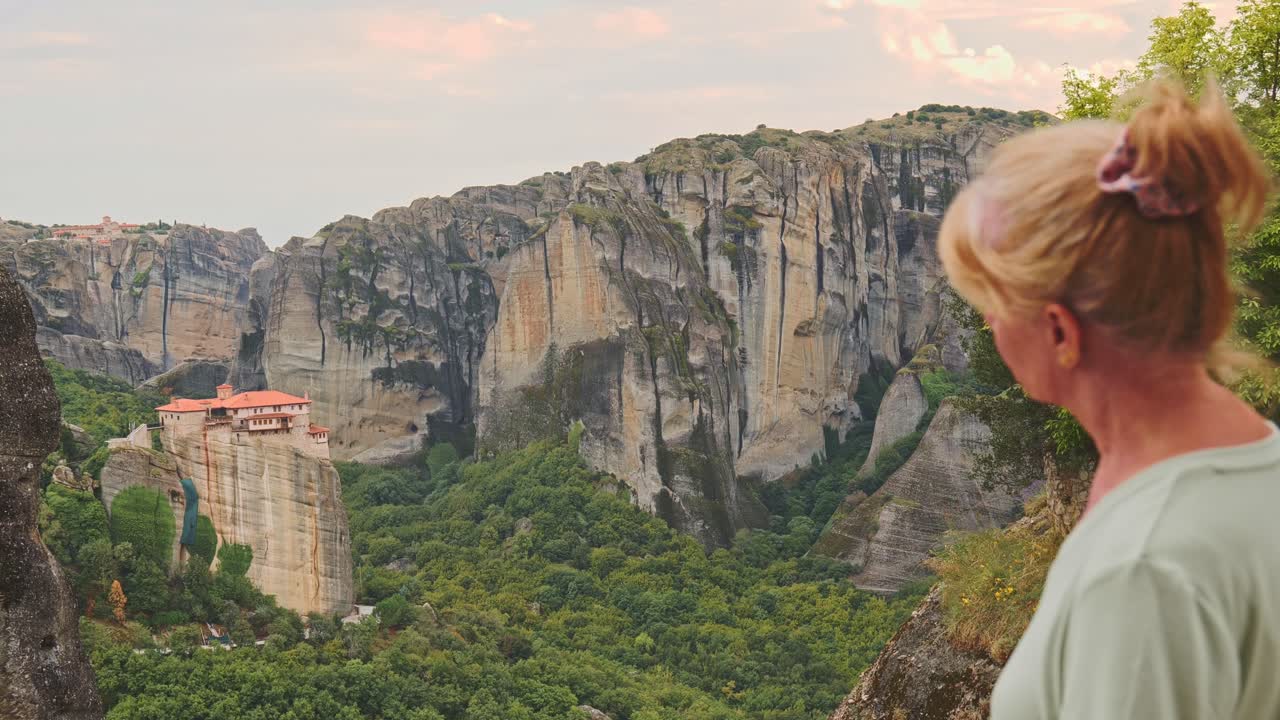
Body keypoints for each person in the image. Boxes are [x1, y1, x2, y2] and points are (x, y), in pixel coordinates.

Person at [938, 80, 1280, 719]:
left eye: (992, 305)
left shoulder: (1143, 573)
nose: (986, 326)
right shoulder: (1256, 462)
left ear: (1062, 332)